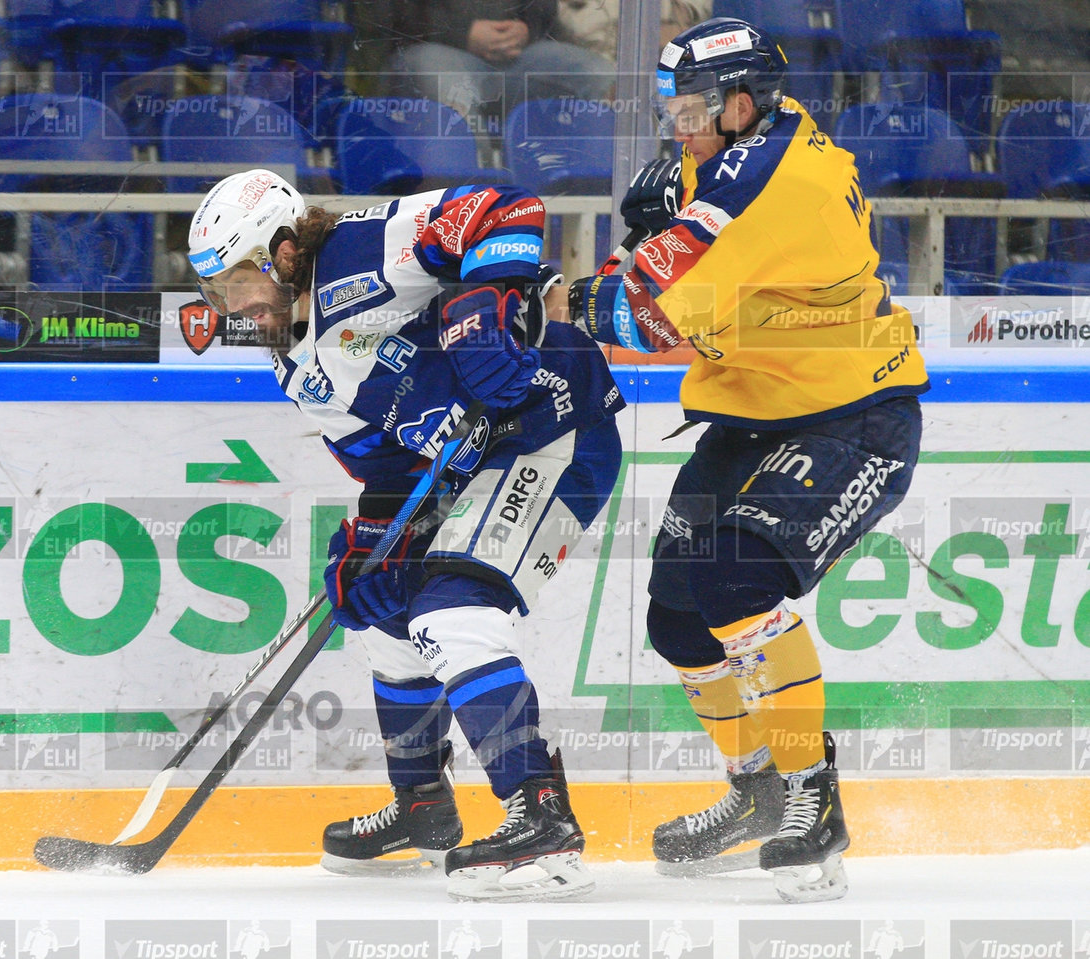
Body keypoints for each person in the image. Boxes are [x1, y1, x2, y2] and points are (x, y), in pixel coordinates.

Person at [187, 168, 625, 901]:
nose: (232, 305)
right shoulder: (293, 363)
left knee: (451, 610)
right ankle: (423, 808)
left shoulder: (364, 251)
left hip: (555, 426)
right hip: (473, 464)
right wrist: (375, 531)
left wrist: (483, 307)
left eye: (239, 281)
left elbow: (504, 206)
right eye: (217, 292)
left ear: (287, 251)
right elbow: (389, 460)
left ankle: (543, 818)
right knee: (383, 607)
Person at [568, 17, 928, 903]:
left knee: (735, 582)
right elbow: (684, 241)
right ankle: (757, 789)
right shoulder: (755, 138)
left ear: (739, 105)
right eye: (670, 105)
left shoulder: (776, 180)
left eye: (688, 107)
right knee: (680, 622)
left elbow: (640, 319)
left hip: (852, 415)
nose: (675, 124)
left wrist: (557, 300)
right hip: (756, 406)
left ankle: (812, 794)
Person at [381, 0, 617, 138]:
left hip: (519, 58)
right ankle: (476, 201)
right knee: (445, 81)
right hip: (433, 51)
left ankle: (617, 196)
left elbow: (545, 13)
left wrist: (526, 30)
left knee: (597, 73)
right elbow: (386, 16)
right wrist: (464, 33)